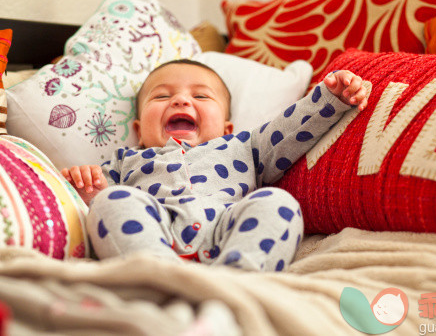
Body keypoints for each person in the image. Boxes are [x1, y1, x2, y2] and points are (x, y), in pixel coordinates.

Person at [61, 59, 368, 271]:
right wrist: (89, 187)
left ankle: (239, 277)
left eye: (201, 96)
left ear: (226, 127)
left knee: (278, 203)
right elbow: (102, 207)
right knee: (114, 199)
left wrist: (329, 99)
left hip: (227, 233)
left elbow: (286, 131)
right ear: (139, 130)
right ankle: (154, 273)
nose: (181, 101)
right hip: (155, 236)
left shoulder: (243, 146)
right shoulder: (126, 158)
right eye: (163, 95)